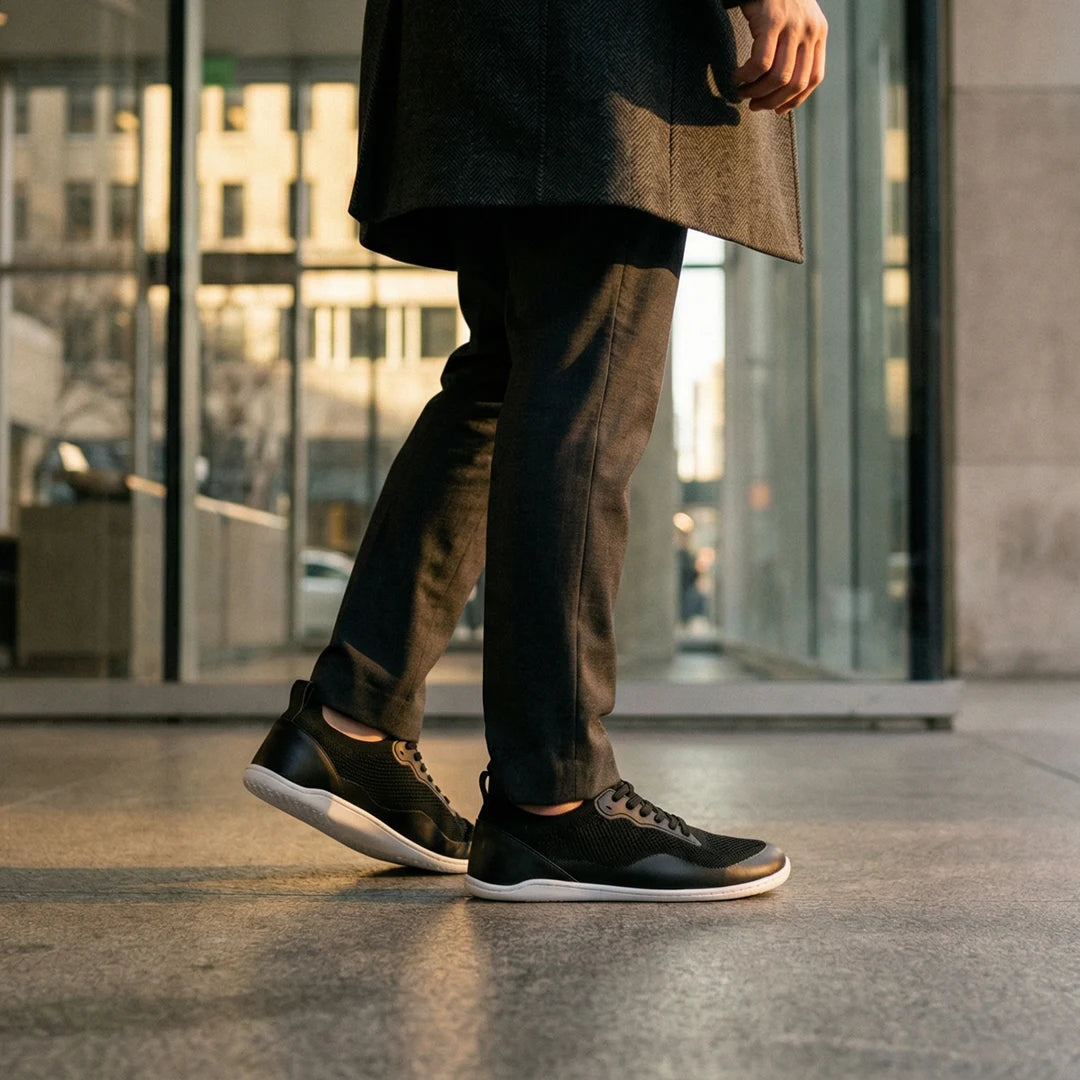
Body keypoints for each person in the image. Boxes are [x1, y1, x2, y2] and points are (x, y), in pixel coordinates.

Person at [245, 0, 827, 901]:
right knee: (587, 371)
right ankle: (557, 798)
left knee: (510, 371)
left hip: (489, 37)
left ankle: (351, 719)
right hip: (591, 42)